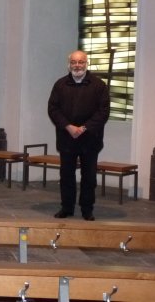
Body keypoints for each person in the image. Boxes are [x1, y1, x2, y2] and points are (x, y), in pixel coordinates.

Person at [47, 50, 110, 221]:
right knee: (66, 175)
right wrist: (68, 126)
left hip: (90, 139)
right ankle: (66, 207)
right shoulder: (60, 85)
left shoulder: (98, 85)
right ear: (69, 64)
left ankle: (87, 209)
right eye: (74, 62)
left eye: (81, 62)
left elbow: (103, 111)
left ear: (86, 63)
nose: (77, 65)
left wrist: (84, 128)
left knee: (89, 177)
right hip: (67, 138)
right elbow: (53, 109)